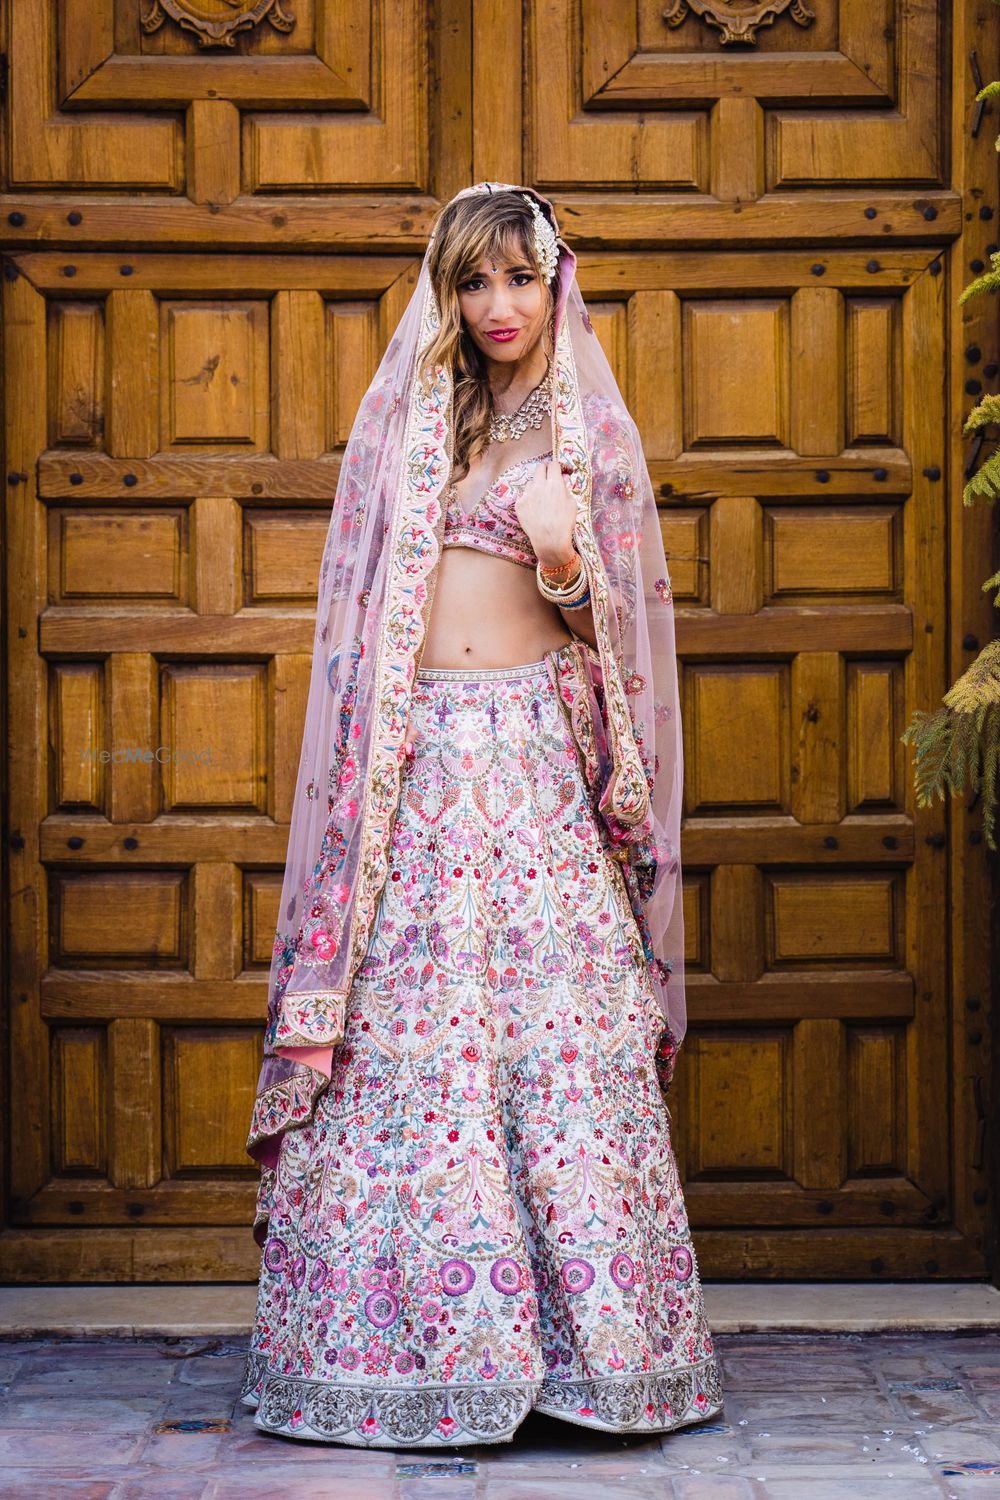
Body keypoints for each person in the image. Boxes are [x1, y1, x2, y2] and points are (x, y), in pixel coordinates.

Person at [240, 182, 722, 1448]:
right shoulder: (419, 426)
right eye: (474, 281)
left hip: (526, 771)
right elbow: (358, 614)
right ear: (447, 295)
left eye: (520, 277)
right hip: (414, 772)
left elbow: (617, 635)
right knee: (413, 1054)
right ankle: (403, 1357)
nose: (498, 305)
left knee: (552, 1047)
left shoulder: (589, 442)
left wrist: (562, 557)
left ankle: (597, 1361)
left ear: (556, 281)